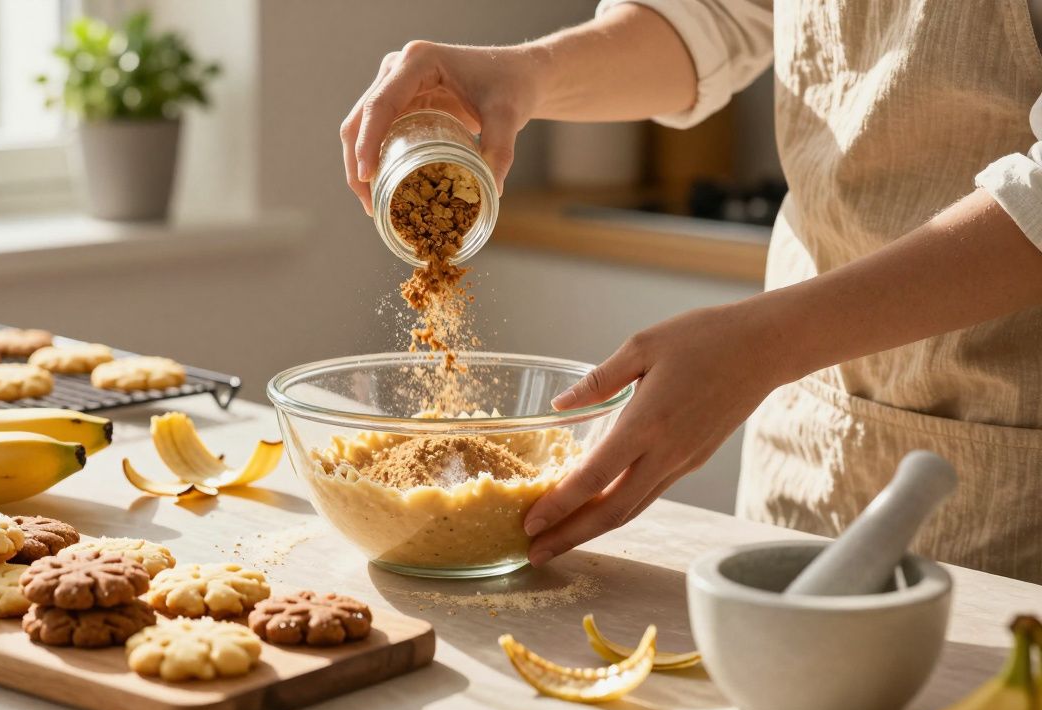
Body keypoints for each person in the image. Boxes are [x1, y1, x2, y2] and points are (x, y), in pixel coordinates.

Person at [340, 1, 1042, 583]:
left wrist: (770, 342)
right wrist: (526, 72)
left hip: (1008, 463)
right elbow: (719, 15)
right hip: (807, 429)